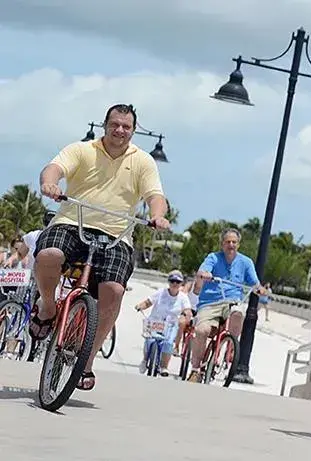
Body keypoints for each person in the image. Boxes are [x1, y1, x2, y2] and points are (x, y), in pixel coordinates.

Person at [34, 103, 171, 390]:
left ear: (133, 130)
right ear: (105, 125)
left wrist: (158, 215)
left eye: (126, 126)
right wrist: (50, 184)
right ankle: (47, 307)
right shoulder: (83, 150)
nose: (120, 130)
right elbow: (54, 168)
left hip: (116, 234)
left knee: (114, 290)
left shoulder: (143, 161)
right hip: (72, 221)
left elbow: (155, 195)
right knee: (49, 254)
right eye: (115, 124)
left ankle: (87, 360)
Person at [185, 227, 265, 383]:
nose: (231, 245)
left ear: (238, 244)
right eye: (228, 242)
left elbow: (255, 283)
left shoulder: (246, 262)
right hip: (210, 303)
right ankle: (195, 369)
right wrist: (205, 274)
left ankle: (231, 345)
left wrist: (259, 289)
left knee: (237, 313)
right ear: (222, 244)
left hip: (232, 301)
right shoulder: (213, 258)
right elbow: (202, 271)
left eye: (234, 242)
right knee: (202, 331)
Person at [134, 269, 191, 376]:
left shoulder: (183, 297)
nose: (174, 284)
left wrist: (186, 315)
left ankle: (164, 366)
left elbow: (187, 310)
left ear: (181, 284)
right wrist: (140, 306)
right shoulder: (161, 292)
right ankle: (145, 359)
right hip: (155, 322)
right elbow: (148, 302)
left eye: (177, 282)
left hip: (170, 325)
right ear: (169, 282)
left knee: (168, 343)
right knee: (149, 340)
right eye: (172, 281)